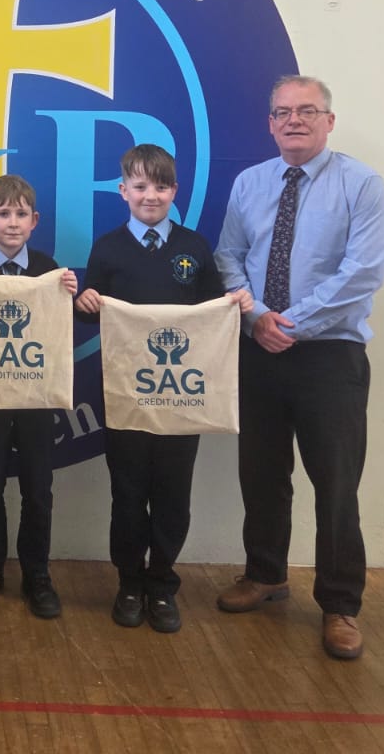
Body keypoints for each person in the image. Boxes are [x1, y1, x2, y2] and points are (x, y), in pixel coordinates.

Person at [214, 75, 384, 661]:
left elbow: (363, 271)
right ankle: (265, 573)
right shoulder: (250, 183)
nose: (295, 120)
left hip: (329, 357)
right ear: (270, 123)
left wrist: (288, 322)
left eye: (308, 111)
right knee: (261, 474)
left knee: (336, 485)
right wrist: (258, 318)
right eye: (283, 112)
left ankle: (341, 604)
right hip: (258, 349)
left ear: (329, 122)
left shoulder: (361, 184)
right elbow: (228, 257)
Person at [75, 145, 253, 634]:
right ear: (123, 191)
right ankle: (129, 583)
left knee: (173, 495)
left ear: (174, 191)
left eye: (160, 186)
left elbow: (212, 314)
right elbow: (90, 312)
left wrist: (232, 304)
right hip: (128, 396)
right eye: (139, 186)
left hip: (181, 395)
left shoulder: (194, 248)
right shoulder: (108, 247)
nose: (149, 195)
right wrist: (86, 301)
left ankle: (161, 583)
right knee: (128, 493)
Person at [0, 173, 78, 619]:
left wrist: (70, 296)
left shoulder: (50, 270)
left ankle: (36, 573)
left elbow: (65, 329)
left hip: (35, 397)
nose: (12, 223)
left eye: (20, 214)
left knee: (37, 488)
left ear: (34, 220)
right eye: (3, 214)